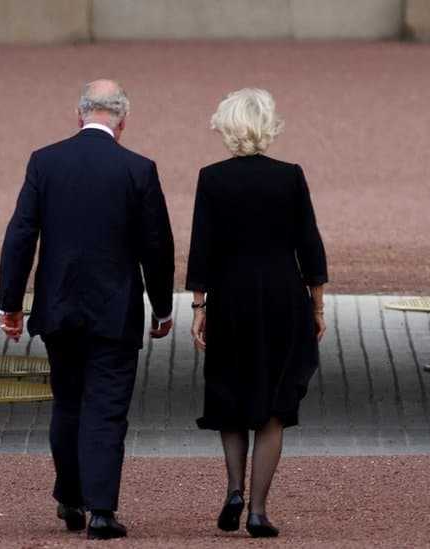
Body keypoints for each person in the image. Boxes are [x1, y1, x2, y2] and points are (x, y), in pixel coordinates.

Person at [0, 79, 175, 540]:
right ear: (123, 121)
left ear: (79, 115)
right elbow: (156, 247)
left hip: (58, 306)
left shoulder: (46, 162)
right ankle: (100, 510)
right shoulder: (138, 169)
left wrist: (10, 304)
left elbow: (21, 235)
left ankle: (70, 498)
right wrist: (162, 307)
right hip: (114, 310)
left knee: (68, 403)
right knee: (106, 407)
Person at [186, 88, 328, 538]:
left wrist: (198, 305)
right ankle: (258, 509)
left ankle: (232, 489)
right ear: (269, 127)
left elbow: (202, 247)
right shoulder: (290, 176)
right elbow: (310, 244)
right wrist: (318, 305)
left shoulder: (212, 178)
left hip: (231, 295)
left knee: (231, 392)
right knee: (274, 404)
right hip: (283, 293)